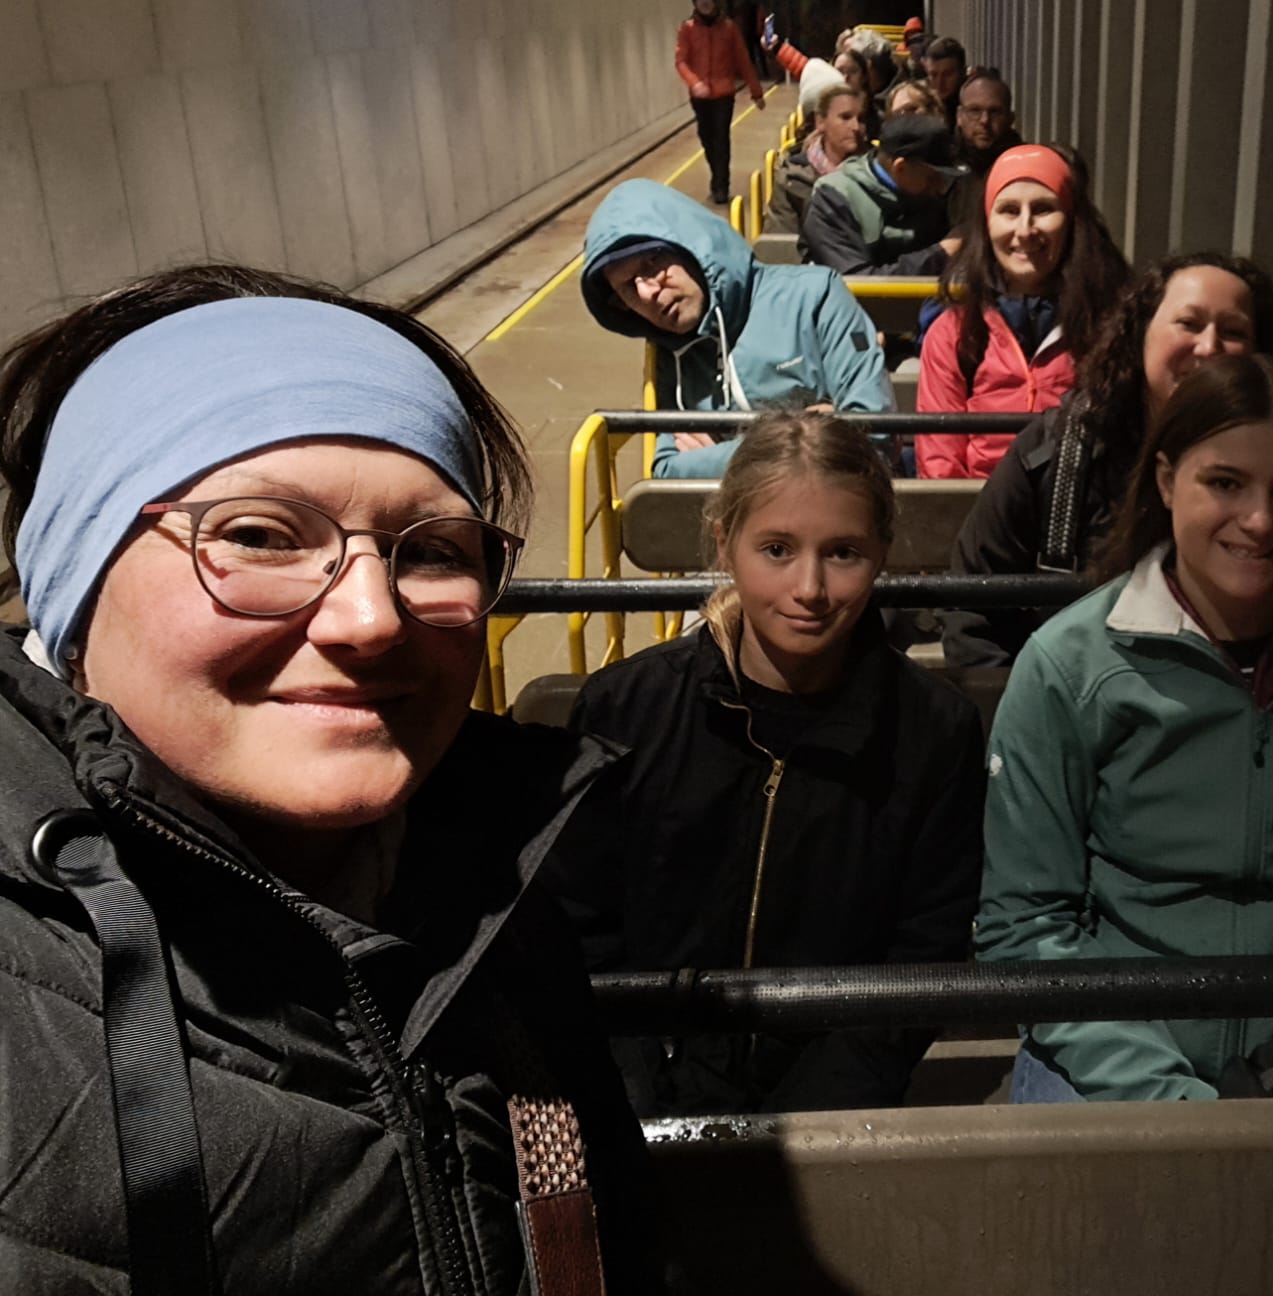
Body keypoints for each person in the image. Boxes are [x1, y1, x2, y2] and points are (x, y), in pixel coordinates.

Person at [0, 265, 657, 1291]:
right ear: (73, 591)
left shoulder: (494, 881)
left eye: (433, 551)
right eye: (260, 536)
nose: (371, 617)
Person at [977, 355, 1273, 1103]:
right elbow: (1025, 926)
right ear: (1167, 480)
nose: (1260, 520)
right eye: (1226, 483)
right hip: (1111, 1052)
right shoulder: (1068, 666)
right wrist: (1173, 1103)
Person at [544, 411, 986, 1115]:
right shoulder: (626, 710)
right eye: (776, 549)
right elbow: (577, 922)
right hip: (644, 1095)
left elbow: (925, 949)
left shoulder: (935, 732)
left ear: (882, 553)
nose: (809, 588)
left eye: (843, 553)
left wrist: (824, 1110)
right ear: (726, 544)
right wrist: (638, 1087)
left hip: (836, 1103)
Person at [944, 252, 1273, 666]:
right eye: (1189, 323)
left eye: (1233, 332)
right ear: (1141, 333)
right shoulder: (1058, 451)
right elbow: (973, 605)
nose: (1209, 347)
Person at [580, 178, 894, 478]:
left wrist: (718, 458)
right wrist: (809, 434)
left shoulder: (816, 296)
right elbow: (668, 470)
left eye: (652, 263)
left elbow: (873, 436)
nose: (647, 293)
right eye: (627, 289)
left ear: (691, 246)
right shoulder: (672, 354)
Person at [915, 144, 1129, 479]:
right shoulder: (953, 333)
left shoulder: (1111, 324)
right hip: (978, 503)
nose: (1025, 229)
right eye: (1009, 211)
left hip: (1080, 501)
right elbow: (940, 464)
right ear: (987, 223)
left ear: (1072, 222)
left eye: (1043, 209)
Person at [804, 113, 967, 281]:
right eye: (932, 177)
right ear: (900, 168)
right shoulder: (833, 199)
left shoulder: (933, 194)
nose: (939, 186)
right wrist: (941, 254)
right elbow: (858, 281)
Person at [675, 0, 765, 207]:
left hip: (724, 93)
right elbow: (681, 61)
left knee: (721, 138)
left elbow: (743, 60)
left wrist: (756, 92)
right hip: (700, 96)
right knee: (706, 137)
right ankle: (716, 173)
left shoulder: (729, 28)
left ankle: (721, 185)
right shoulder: (687, 29)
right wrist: (695, 83)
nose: (704, 2)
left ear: (714, 1)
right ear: (695, 4)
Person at [766, 75, 867, 245]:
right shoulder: (792, 179)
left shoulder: (877, 173)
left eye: (861, 119)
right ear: (820, 122)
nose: (855, 127)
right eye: (845, 117)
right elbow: (780, 246)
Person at [956, 69, 1023, 174]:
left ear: (1010, 118)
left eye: (994, 112)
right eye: (975, 111)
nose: (984, 120)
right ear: (959, 116)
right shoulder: (941, 164)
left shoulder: (1026, 166)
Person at [923, 36, 967, 125]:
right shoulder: (920, 106)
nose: (940, 82)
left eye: (948, 74)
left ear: (962, 73)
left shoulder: (971, 107)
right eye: (934, 75)